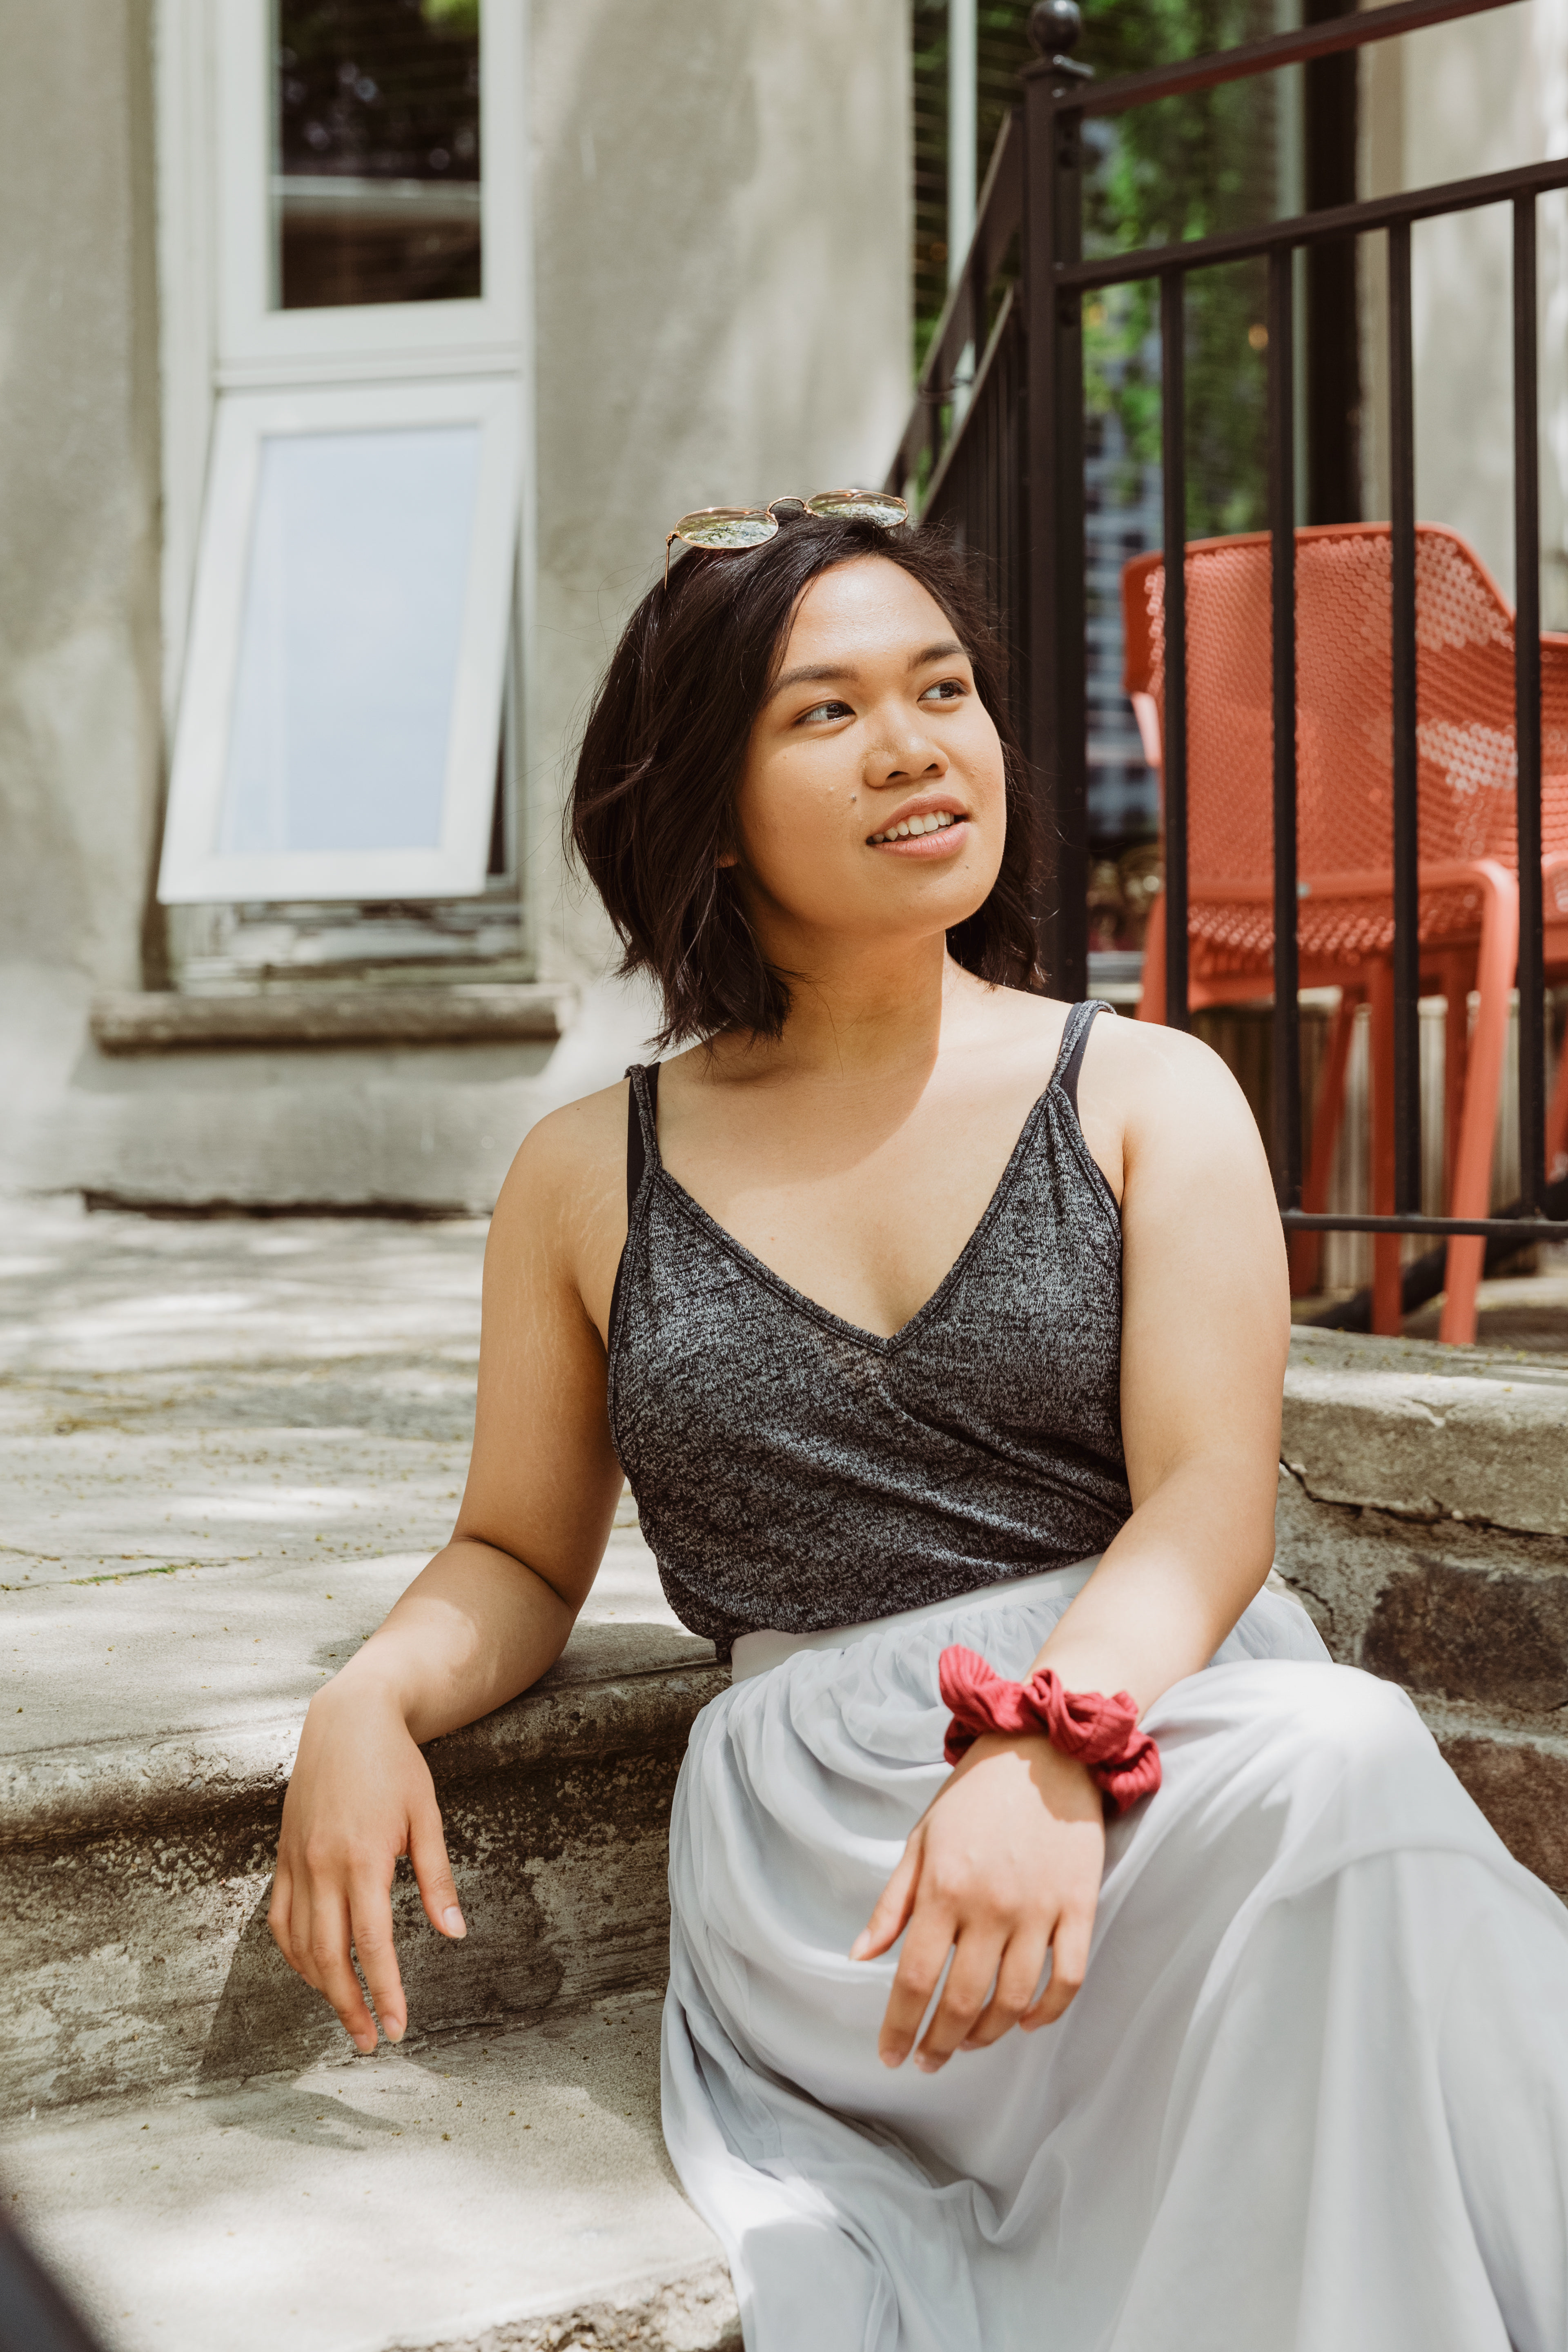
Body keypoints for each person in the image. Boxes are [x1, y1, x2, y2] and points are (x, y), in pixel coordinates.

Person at [269, 500, 1568, 2351]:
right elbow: (520, 1550)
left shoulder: (1148, 1095)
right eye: (826, 713)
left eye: (944, 689)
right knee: (1362, 1823)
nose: (917, 746)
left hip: (1160, 1746)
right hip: (832, 1853)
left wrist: (1053, 1748)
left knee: (1339, 1770)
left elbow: (1208, 1506)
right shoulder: (584, 1174)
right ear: (707, 805)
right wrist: (367, 1694)